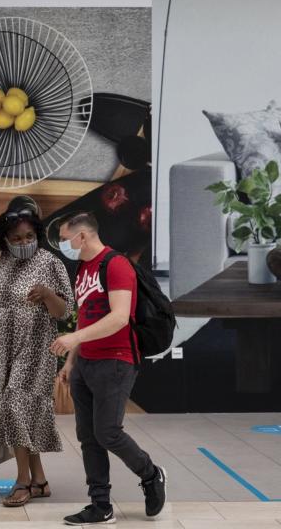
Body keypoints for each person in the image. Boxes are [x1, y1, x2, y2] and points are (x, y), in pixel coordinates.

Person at [50, 211, 167, 524]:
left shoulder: (116, 264)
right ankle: (100, 506)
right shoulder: (83, 268)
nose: (63, 245)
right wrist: (72, 359)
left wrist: (74, 337)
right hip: (85, 362)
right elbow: (87, 315)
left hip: (115, 360)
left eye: (64, 239)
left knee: (108, 432)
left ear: (83, 236)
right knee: (88, 436)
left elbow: (118, 317)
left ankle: (151, 474)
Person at [0, 199, 74, 507]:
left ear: (37, 235)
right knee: (20, 412)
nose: (23, 243)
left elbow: (64, 311)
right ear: (5, 240)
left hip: (35, 349)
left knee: (17, 406)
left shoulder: (50, 263)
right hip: (4, 349)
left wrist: (46, 294)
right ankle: (40, 480)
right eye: (16, 239)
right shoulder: (3, 262)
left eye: (29, 237)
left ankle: (22, 483)